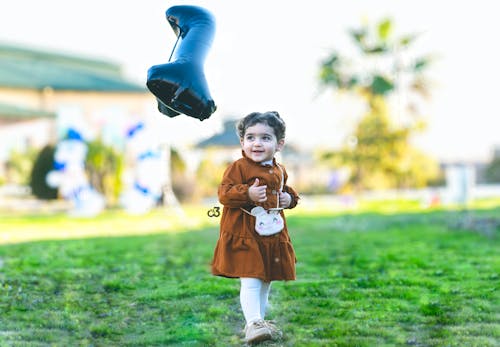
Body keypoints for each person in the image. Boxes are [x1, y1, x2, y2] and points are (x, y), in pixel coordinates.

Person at [211, 111, 300, 344]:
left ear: (279, 144)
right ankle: (253, 324)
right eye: (250, 137)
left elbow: (286, 191)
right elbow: (224, 194)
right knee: (250, 278)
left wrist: (289, 200)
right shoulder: (238, 167)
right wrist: (247, 193)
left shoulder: (280, 170)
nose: (257, 143)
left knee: (265, 279)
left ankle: (259, 319)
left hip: (271, 234)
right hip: (244, 234)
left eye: (265, 138)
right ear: (242, 142)